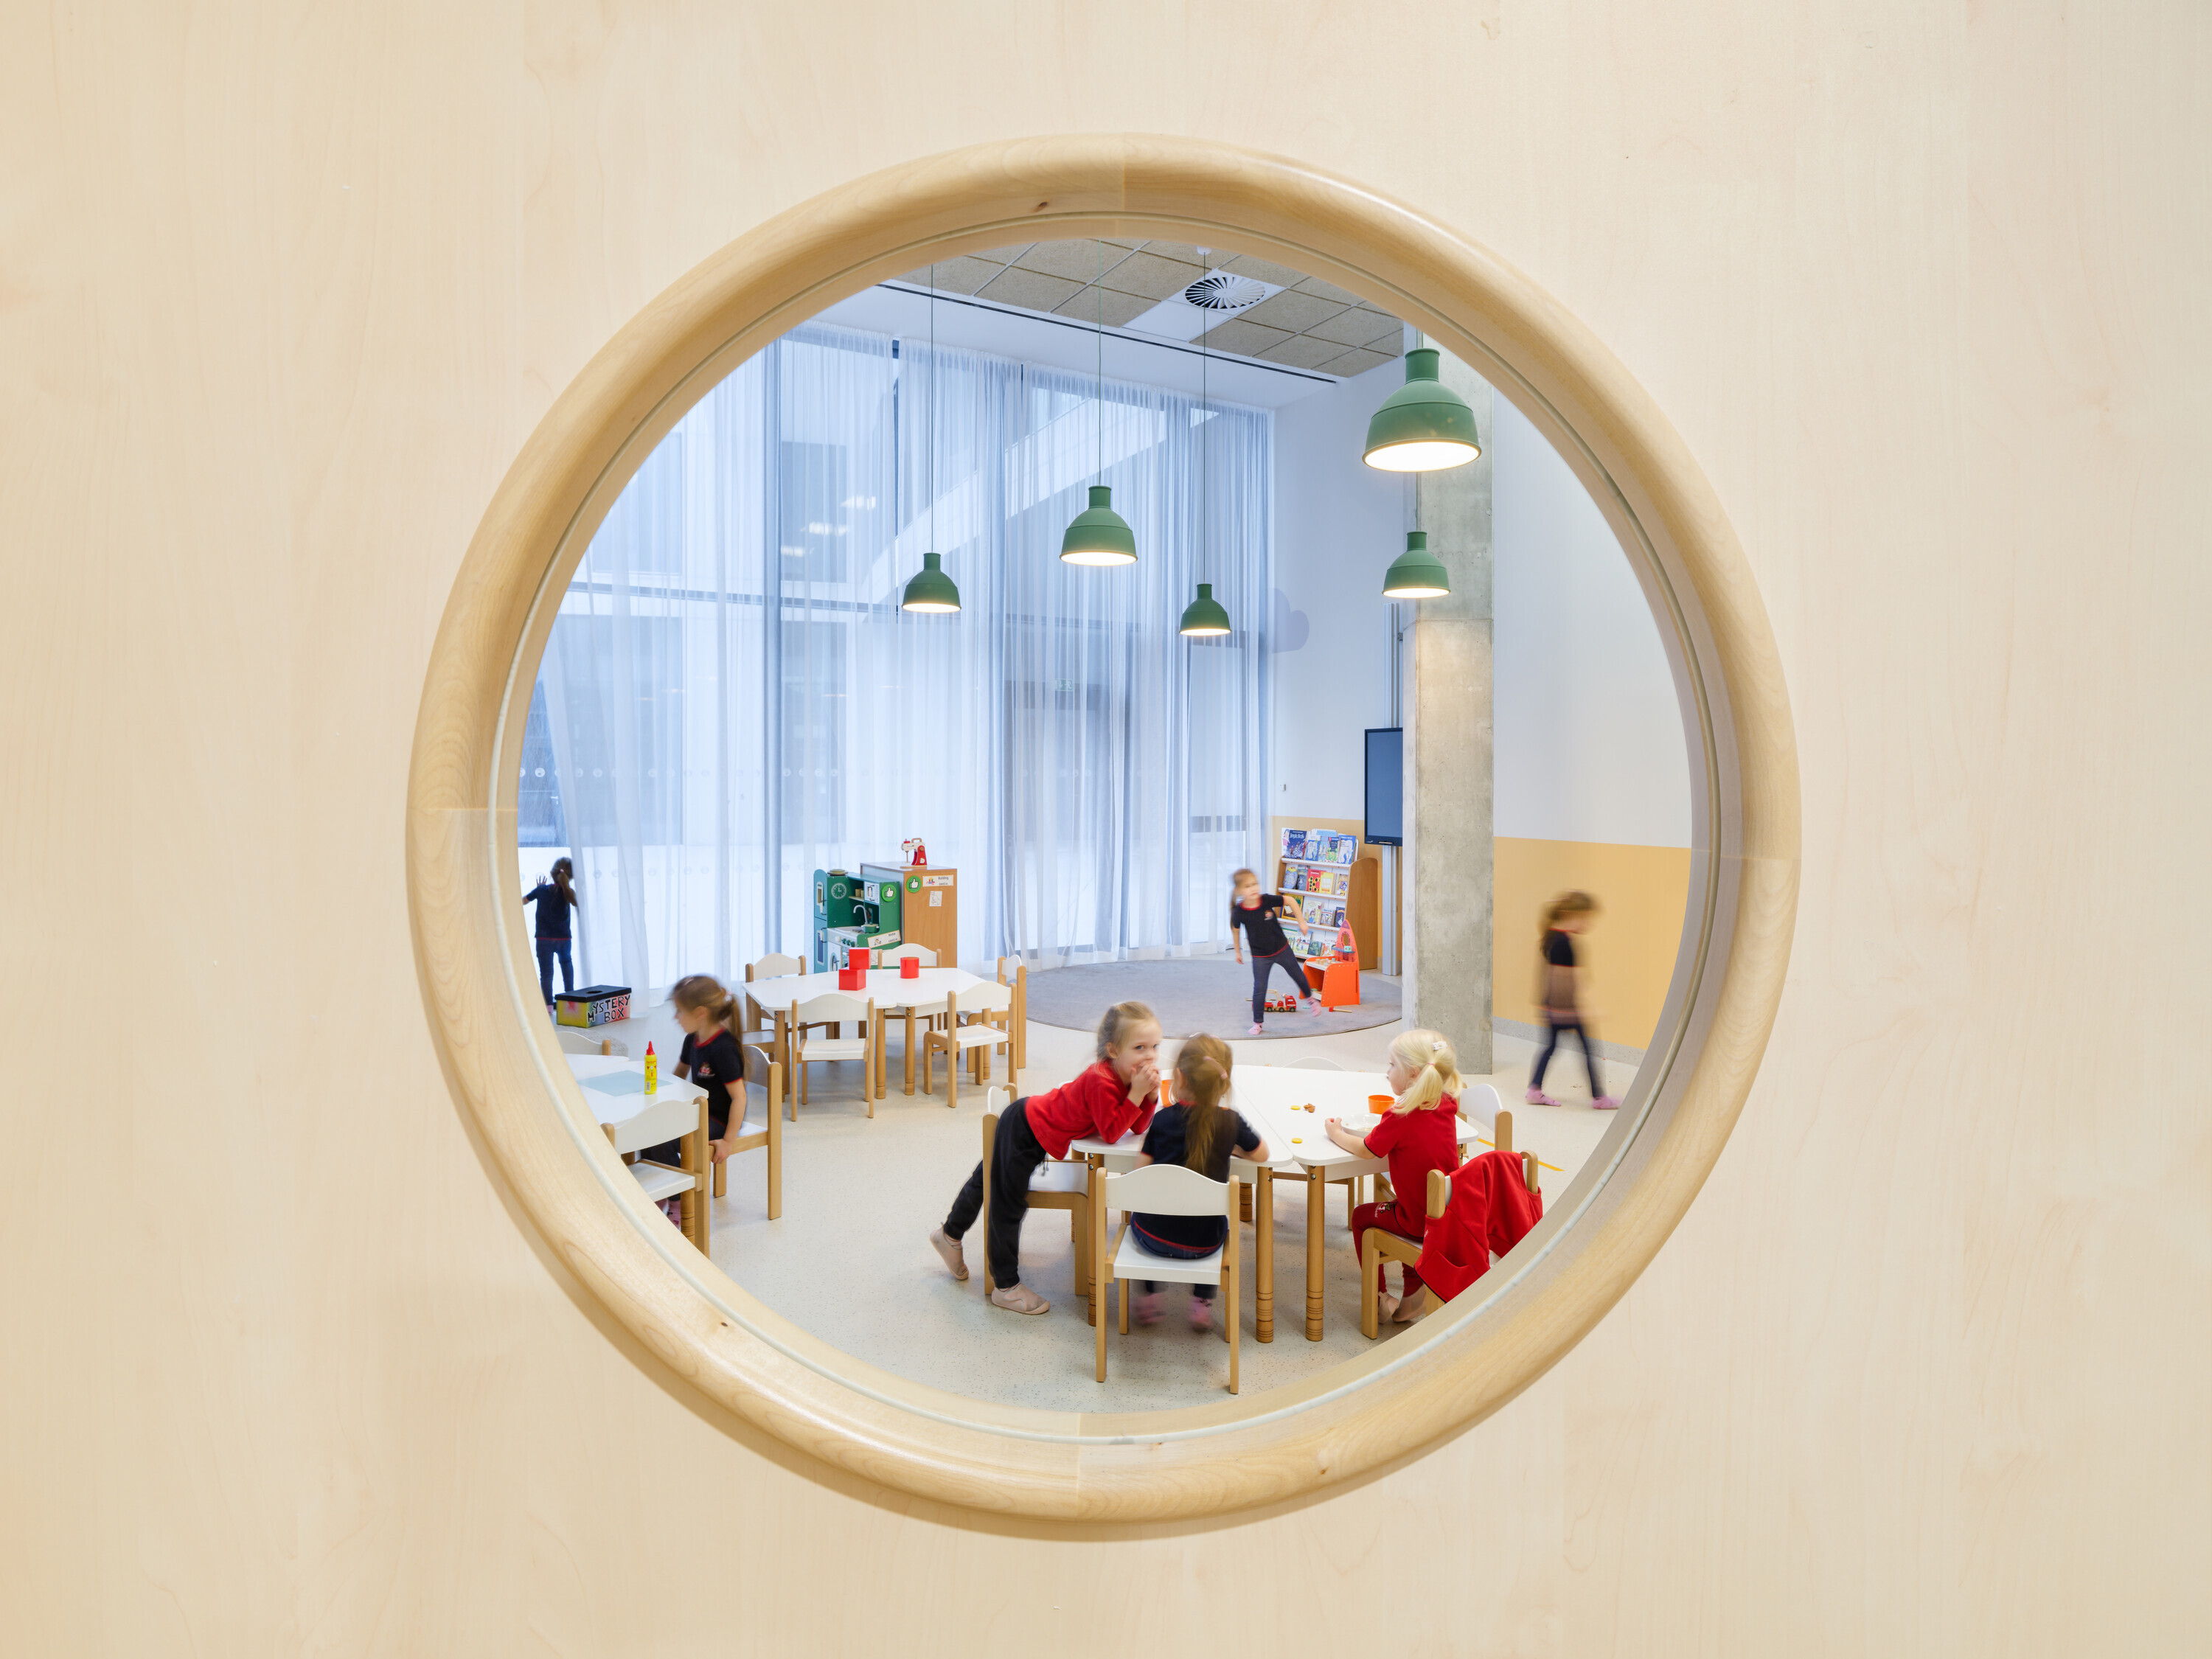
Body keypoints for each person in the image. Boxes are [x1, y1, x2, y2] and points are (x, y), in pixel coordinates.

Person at [928, 1001, 1163, 1315]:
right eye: (1139, 1047)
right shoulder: (1101, 1079)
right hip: (1024, 1129)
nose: (1150, 1056)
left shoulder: (1125, 1077)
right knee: (1008, 1203)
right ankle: (1005, 1287)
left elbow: (1135, 1126)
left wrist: (1148, 1096)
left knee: (985, 1181)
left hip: (1030, 1125)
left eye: (1155, 1047)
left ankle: (949, 1235)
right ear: (1113, 1049)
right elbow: (1111, 1132)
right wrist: (1137, 1094)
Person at [1126, 1034, 1268, 1331]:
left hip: (1152, 1238)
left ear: (1179, 1077)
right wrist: (1232, 1147)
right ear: (1223, 1085)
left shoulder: (1162, 1120)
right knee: (1216, 1221)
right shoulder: (1231, 1122)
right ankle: (1201, 1304)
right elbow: (1262, 1154)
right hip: (1206, 1243)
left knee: (1147, 1211)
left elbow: (1139, 1175)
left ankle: (1150, 1297)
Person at [1324, 1028, 1465, 1326]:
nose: (1387, 1072)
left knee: (1361, 1217)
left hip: (1417, 1220)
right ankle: (1414, 1289)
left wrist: (1335, 1133)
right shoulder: (1446, 1103)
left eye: (1391, 1065)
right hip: (1446, 1215)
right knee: (1401, 1206)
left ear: (1413, 1073)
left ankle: (1378, 1298)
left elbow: (1366, 1150)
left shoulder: (1400, 1114)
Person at [641, 975, 748, 1167]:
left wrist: (728, 1142)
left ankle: (678, 1187)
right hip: (699, 1112)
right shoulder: (692, 1039)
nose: (675, 1017)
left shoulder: (723, 1048)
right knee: (647, 1128)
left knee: (660, 1136)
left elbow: (739, 1098)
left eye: (679, 1011)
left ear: (700, 1013)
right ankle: (659, 1182)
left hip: (721, 1122)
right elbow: (679, 1076)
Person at [1526, 891, 1620, 1110]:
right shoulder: (1563, 943)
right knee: (1587, 1049)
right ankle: (1599, 1098)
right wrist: (1579, 1011)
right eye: (1585, 918)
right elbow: (1561, 982)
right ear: (1570, 915)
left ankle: (1534, 1090)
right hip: (1564, 1010)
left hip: (1553, 1008)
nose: (1588, 924)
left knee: (1551, 1048)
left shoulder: (1552, 936)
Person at [1229, 867, 1321, 1036]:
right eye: (1248, 886)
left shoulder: (1265, 900)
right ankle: (1258, 1023)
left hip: (1281, 948)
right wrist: (1237, 952)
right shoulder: (1239, 912)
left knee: (1298, 975)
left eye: (1255, 884)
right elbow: (1236, 931)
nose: (1254, 888)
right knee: (1260, 988)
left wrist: (1302, 922)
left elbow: (1291, 901)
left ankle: (1311, 999)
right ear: (1239, 891)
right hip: (1260, 956)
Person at [524, 858, 578, 1009]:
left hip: (543, 940)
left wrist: (539, 889)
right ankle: (571, 1003)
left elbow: (523, 901)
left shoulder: (541, 890)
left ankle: (548, 1008)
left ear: (552, 873)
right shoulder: (569, 893)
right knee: (567, 966)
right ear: (570, 876)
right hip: (564, 939)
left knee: (546, 974)